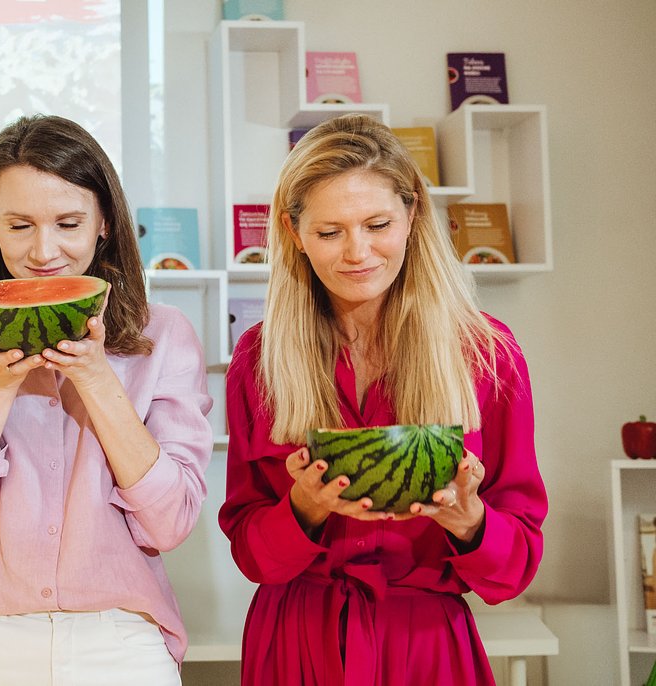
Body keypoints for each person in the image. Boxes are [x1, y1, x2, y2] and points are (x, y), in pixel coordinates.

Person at [218, 114, 547, 686]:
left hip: (426, 647)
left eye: (377, 224)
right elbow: (253, 556)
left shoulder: (487, 355)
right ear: (294, 232)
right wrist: (306, 507)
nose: (357, 252)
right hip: (296, 643)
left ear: (412, 214)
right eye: (330, 232)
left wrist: (469, 521)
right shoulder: (259, 359)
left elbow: (515, 567)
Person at [0, 114, 213, 686]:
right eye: (21, 225)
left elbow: (169, 524)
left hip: (122, 642)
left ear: (104, 223)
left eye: (68, 223)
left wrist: (97, 380)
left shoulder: (163, 337)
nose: (45, 252)